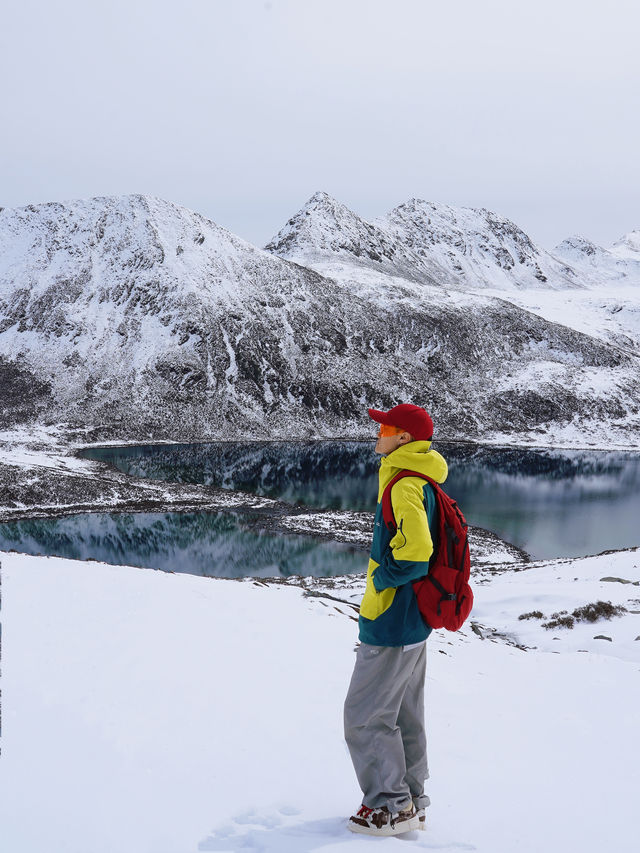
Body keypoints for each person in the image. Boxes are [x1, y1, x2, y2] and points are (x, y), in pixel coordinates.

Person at [344, 403, 448, 837]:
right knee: (404, 714)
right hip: (413, 621)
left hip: (390, 618)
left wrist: (383, 578)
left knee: (364, 715)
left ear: (404, 438)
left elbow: (416, 550)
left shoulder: (403, 485)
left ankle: (389, 807)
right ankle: (411, 800)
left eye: (385, 427)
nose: (378, 432)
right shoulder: (423, 478)